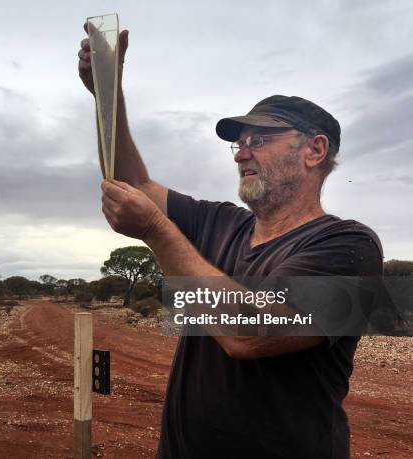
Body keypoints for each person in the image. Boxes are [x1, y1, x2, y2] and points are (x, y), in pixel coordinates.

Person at [78, 26, 383, 459]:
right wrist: (107, 97)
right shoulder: (221, 223)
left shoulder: (347, 246)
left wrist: (157, 232)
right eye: (239, 144)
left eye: (258, 140)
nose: (241, 154)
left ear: (314, 151)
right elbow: (135, 185)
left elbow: (250, 333)